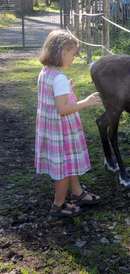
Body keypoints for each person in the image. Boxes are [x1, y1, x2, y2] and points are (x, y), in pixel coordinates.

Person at [35, 29, 102, 218]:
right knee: (64, 167)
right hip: (61, 131)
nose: (73, 58)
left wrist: (66, 89)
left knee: (69, 162)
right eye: (73, 54)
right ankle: (58, 205)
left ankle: (78, 193)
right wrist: (86, 102)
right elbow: (63, 109)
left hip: (51, 129)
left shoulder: (46, 73)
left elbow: (54, 97)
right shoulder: (59, 78)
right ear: (63, 52)